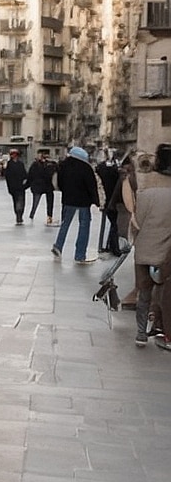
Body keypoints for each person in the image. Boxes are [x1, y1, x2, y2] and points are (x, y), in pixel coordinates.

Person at [130, 147, 171, 348]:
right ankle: (163, 330)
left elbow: (136, 222)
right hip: (165, 253)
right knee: (164, 294)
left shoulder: (144, 194)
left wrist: (136, 240)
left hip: (144, 250)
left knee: (144, 294)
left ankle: (140, 334)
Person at [52, 145, 100, 263]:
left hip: (68, 200)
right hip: (83, 202)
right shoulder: (86, 168)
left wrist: (66, 192)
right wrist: (96, 201)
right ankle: (80, 255)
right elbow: (91, 185)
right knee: (84, 226)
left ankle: (58, 246)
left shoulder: (63, 166)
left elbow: (59, 183)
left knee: (65, 224)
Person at [98, 151, 124, 256]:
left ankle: (108, 245)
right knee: (113, 224)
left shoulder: (101, 169)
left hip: (107, 199)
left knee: (110, 224)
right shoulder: (116, 172)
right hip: (113, 200)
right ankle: (113, 246)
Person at [28, 149, 57, 225]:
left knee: (50, 203)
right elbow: (31, 175)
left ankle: (49, 217)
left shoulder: (51, 164)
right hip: (39, 186)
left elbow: (55, 171)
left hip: (48, 186)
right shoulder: (35, 164)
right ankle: (32, 214)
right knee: (35, 202)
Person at [4, 148, 29, 224]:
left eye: (15, 154)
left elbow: (24, 174)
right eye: (12, 154)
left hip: (21, 186)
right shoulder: (9, 165)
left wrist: (25, 182)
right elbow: (7, 177)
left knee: (21, 201)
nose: (13, 156)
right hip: (13, 187)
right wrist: (9, 187)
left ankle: (20, 215)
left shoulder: (20, 164)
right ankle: (18, 215)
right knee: (16, 201)